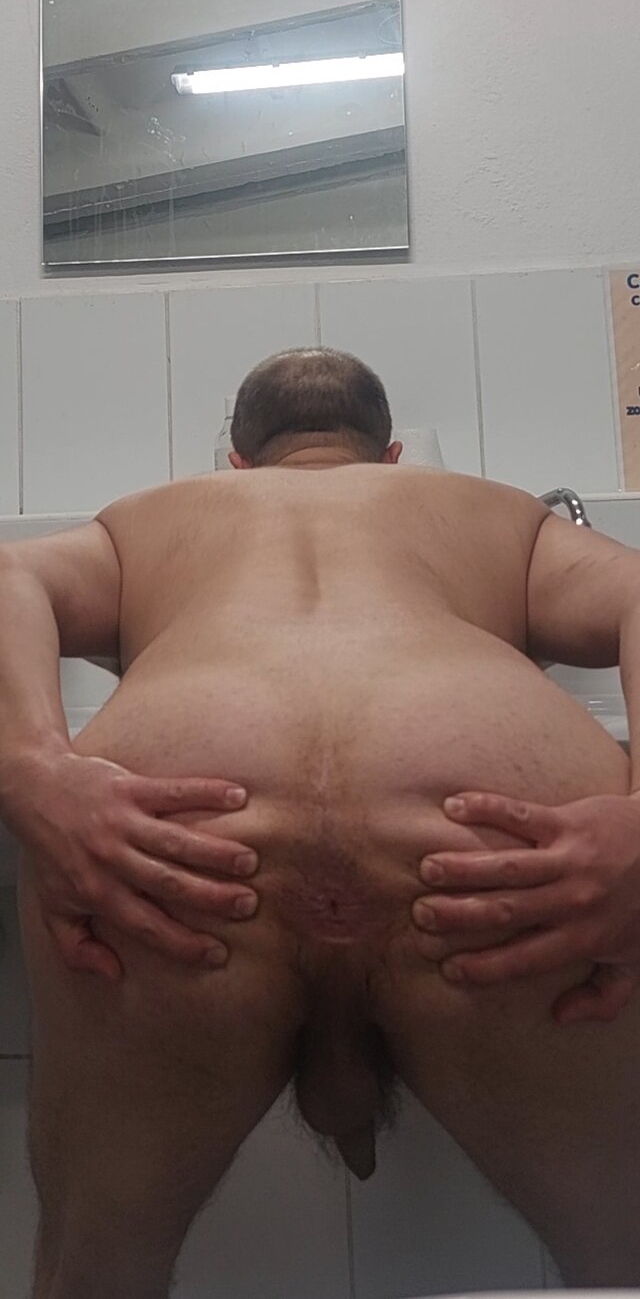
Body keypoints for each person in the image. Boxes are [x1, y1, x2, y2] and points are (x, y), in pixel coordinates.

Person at [3, 345, 640, 1298]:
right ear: (391, 455)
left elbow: (6, 574)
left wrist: (32, 768)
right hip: (489, 823)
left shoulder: (153, 519)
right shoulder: (491, 513)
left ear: (237, 463)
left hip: (183, 828)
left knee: (93, 1274)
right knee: (625, 1258)